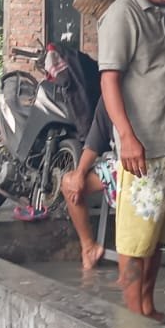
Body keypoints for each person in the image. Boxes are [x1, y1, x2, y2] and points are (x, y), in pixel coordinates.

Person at [98, 0, 165, 321]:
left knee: (157, 240)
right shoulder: (122, 15)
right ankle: (134, 317)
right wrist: (128, 137)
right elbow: (109, 81)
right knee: (135, 241)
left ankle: (147, 307)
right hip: (142, 152)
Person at [60, 104, 121, 271]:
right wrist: (79, 174)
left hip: (153, 164)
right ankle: (89, 248)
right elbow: (94, 143)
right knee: (69, 183)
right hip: (119, 166)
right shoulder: (107, 99)